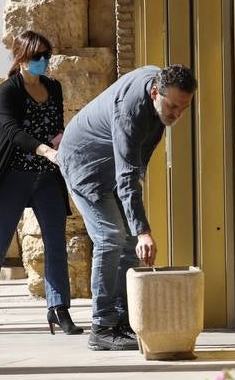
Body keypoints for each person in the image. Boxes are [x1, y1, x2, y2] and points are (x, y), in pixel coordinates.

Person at [57, 64, 196, 351]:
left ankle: (122, 319)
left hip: (112, 168)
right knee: (110, 238)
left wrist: (139, 230)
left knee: (129, 240)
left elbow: (135, 165)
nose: (177, 114)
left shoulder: (158, 88)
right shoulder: (130, 112)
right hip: (84, 166)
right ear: (156, 93)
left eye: (184, 108)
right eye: (173, 106)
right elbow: (127, 177)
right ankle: (102, 327)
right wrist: (144, 229)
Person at [0, 30, 81, 337]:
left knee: (56, 242)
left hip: (46, 176)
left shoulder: (54, 87)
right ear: (21, 58)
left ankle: (59, 309)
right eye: (37, 57)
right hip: (13, 175)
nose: (43, 62)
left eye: (46, 56)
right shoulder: (9, 90)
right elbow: (13, 131)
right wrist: (46, 149)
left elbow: (56, 126)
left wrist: (61, 144)